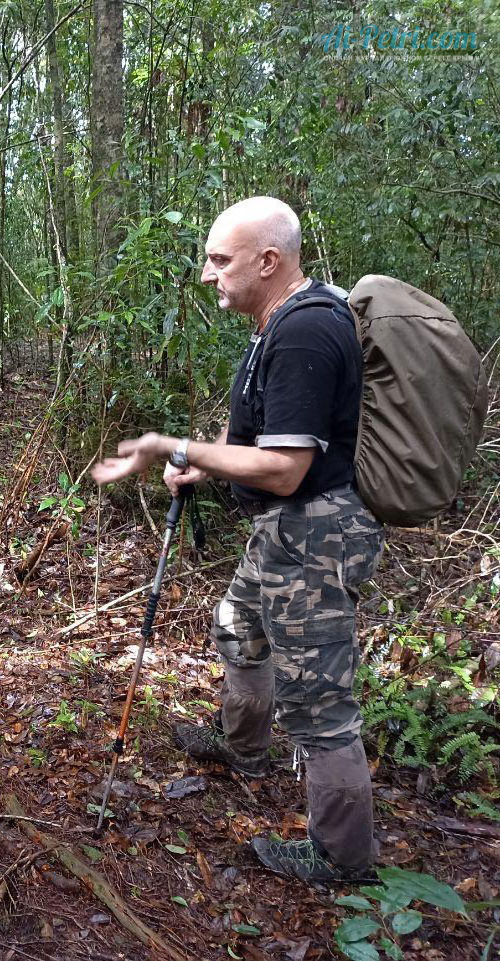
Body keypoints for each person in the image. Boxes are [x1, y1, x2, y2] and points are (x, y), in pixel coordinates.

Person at [92, 196, 384, 884]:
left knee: (318, 703)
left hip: (314, 535)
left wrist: (174, 443)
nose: (206, 273)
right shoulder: (273, 323)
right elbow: (256, 430)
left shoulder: (307, 333)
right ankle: (244, 747)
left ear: (269, 261)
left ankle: (344, 859)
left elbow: (285, 469)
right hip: (282, 533)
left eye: (219, 259)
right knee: (238, 623)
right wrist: (204, 457)